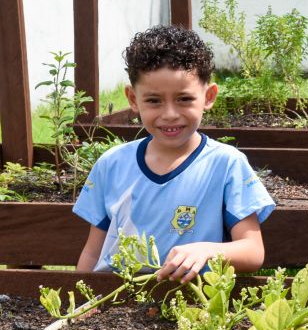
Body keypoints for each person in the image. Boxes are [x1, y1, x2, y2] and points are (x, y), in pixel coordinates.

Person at [74, 25, 275, 282]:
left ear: (209, 96)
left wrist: (209, 250)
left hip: (191, 307)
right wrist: (81, 301)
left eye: (184, 99)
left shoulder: (226, 164)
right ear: (133, 99)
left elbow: (253, 251)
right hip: (116, 303)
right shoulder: (111, 164)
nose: (170, 114)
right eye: (154, 101)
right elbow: (93, 252)